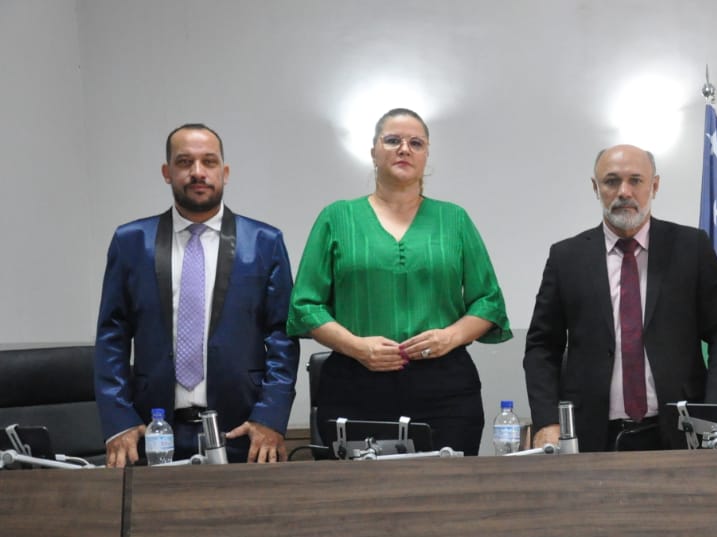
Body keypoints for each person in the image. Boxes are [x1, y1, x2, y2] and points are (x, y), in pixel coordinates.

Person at [288, 108, 511, 456]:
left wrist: (449, 336)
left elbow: (488, 302)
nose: (404, 149)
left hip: (445, 389)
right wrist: (357, 347)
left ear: (426, 155)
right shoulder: (336, 217)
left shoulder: (454, 219)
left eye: (415, 143)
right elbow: (305, 305)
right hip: (354, 384)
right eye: (392, 140)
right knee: (357, 502)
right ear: (374, 151)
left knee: (446, 499)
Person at [95, 123, 299, 466]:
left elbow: (282, 336)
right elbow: (112, 336)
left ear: (225, 171)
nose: (198, 172)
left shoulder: (264, 242)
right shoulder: (131, 242)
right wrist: (119, 420)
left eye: (209, 162)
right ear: (167, 172)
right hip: (151, 432)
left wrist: (270, 416)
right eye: (185, 162)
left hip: (245, 432)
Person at [524, 144, 717, 452]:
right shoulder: (567, 258)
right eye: (611, 181)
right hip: (592, 437)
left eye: (636, 180)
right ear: (595, 188)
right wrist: (547, 421)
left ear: (654, 185)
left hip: (682, 433)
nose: (624, 191)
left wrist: (716, 412)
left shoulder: (691, 248)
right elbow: (541, 346)